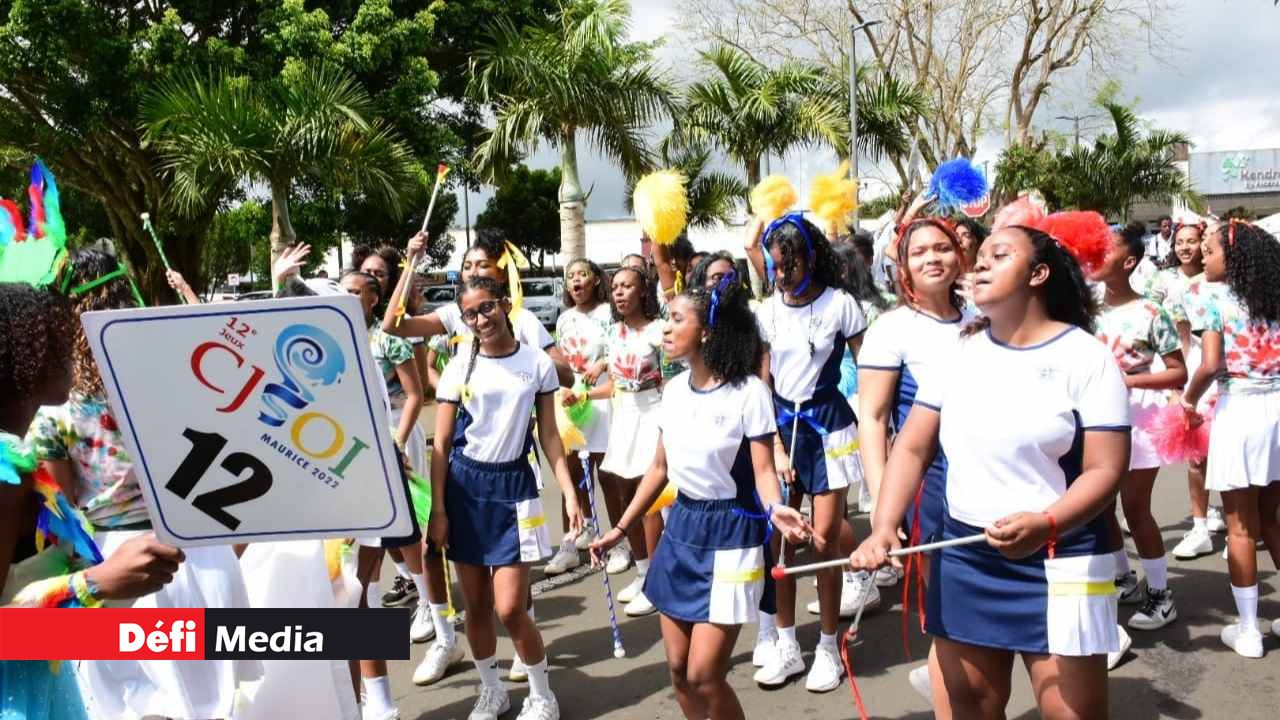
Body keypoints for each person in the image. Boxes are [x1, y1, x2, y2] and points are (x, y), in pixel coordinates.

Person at [851, 219, 1130, 718]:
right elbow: (912, 447)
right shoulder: (958, 351)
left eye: (999, 257)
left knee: (1072, 712)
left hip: (1061, 557)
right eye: (979, 259)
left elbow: (1106, 469)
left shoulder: (1086, 358)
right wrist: (883, 526)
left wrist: (1047, 523)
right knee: (971, 705)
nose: (979, 265)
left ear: (1038, 274)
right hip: (965, 555)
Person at [28, 249, 261, 720]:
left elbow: (64, 508)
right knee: (215, 704)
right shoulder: (185, 379)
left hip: (119, 566)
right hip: (200, 552)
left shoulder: (56, 407)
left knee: (134, 706)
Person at [588, 275, 815, 720]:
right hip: (681, 533)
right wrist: (620, 529)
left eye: (677, 319)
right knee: (677, 670)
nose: (666, 329)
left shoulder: (749, 393)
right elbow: (659, 470)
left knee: (704, 675)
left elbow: (763, 470)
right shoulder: (672, 392)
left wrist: (777, 509)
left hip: (732, 535)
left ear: (707, 331)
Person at [1, 281, 186, 720]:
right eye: (56, 337)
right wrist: (95, 582)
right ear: (26, 355)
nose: (72, 349)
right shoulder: (5, 475)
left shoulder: (19, 459)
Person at [429, 276, 584, 720]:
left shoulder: (536, 363)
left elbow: (549, 434)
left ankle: (542, 696)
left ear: (503, 305)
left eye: (487, 307)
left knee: (512, 607)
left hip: (515, 487)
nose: (482, 319)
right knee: (476, 607)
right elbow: (441, 444)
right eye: (471, 314)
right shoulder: (459, 366)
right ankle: (492, 691)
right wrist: (438, 510)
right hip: (464, 490)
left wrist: (569, 492)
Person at [745, 213, 869, 693]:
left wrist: (882, 430)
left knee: (823, 542)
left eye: (789, 266)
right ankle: (786, 643)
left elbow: (869, 369)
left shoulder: (841, 305)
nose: (781, 276)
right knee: (779, 543)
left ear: (811, 259)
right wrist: (775, 446)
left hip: (829, 428)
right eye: (775, 267)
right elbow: (762, 380)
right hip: (781, 427)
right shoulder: (767, 311)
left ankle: (828, 646)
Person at [856, 218, 973, 701]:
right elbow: (873, 419)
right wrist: (884, 506)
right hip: (928, 481)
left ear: (960, 256)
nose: (932, 259)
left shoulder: (984, 315)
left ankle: (958, 682)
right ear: (902, 266)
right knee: (945, 594)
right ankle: (951, 685)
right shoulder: (891, 329)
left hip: (987, 472)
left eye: (942, 248)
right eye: (919, 252)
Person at [1182, 220, 1280, 659]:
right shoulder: (1275, 298)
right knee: (1272, 518)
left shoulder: (1213, 299)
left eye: (1210, 250)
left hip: (1241, 410)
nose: (1204, 257)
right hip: (1277, 411)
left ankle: (1249, 630)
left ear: (1234, 257)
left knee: (1240, 526)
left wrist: (1188, 400)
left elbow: (1209, 364)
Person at [1091, 222, 1187, 658]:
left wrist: (1129, 380)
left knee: (1135, 507)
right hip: (1094, 419)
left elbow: (1178, 370)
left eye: (1107, 249)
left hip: (1140, 419)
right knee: (1099, 506)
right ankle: (1123, 578)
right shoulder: (1084, 307)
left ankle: (1161, 595)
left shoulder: (1151, 312)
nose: (1098, 253)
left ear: (1128, 262)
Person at [1147, 223, 1227, 559]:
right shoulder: (1185, 288)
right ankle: (1200, 527)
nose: (1189, 249)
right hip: (1200, 371)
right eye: (1181, 242)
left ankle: (1243, 526)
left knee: (1232, 454)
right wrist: (1181, 386)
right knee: (1197, 455)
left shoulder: (1249, 289)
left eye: (1196, 243)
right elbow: (1181, 337)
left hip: (1240, 382)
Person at [595, 266, 665, 617]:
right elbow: (614, 383)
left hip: (654, 413)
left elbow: (670, 380)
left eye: (627, 286)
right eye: (616, 287)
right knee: (625, 493)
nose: (619, 292)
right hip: (624, 415)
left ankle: (656, 581)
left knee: (648, 499)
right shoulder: (614, 332)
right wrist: (584, 396)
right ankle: (642, 571)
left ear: (643, 291)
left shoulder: (659, 331)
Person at [544, 259, 613, 575]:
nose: (576, 281)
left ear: (595, 279)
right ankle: (570, 543)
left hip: (603, 401)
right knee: (571, 477)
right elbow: (561, 363)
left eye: (582, 275)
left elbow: (620, 351)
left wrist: (604, 364)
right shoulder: (564, 319)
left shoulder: (609, 313)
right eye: (570, 276)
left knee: (607, 476)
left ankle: (616, 543)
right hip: (571, 403)